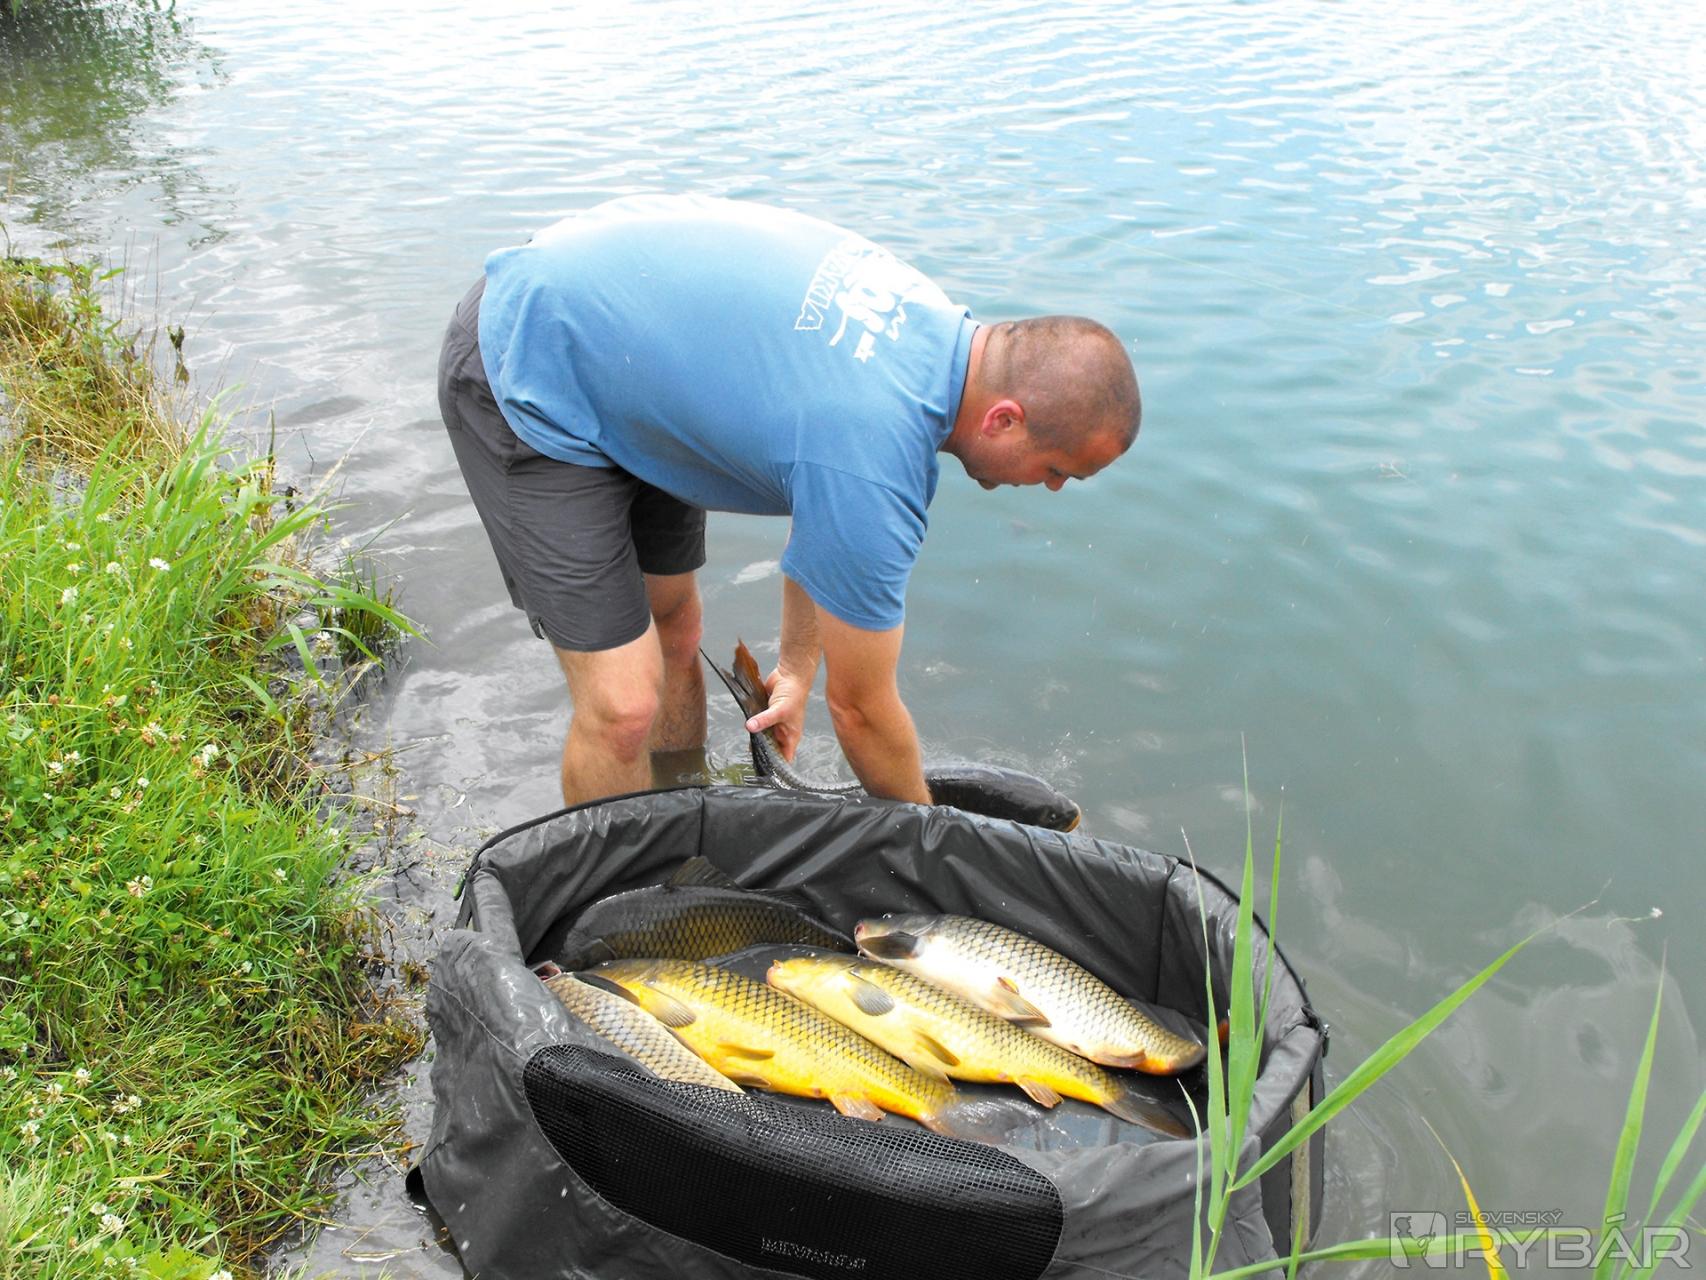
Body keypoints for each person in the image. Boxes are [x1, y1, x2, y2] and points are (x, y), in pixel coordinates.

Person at [437, 193, 1140, 808]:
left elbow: (830, 515)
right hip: (529, 355)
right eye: (1057, 469)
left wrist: (798, 667)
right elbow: (861, 712)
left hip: (628, 347)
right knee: (622, 706)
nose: (1051, 488)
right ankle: (611, 899)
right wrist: (936, 845)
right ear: (1005, 420)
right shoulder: (877, 447)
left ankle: (680, 821)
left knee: (675, 629)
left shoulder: (936, 333)